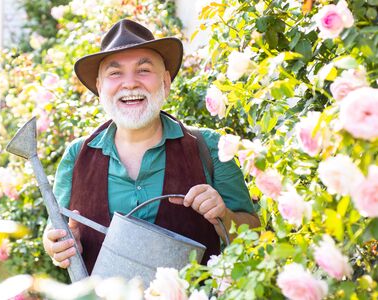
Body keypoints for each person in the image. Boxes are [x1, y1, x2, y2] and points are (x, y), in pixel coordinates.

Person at [43, 19, 260, 273]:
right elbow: (55, 234)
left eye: (143, 70)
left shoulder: (210, 148)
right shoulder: (77, 155)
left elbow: (253, 238)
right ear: (100, 88)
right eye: (115, 73)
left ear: (166, 82)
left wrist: (224, 215)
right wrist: (56, 247)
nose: (130, 83)